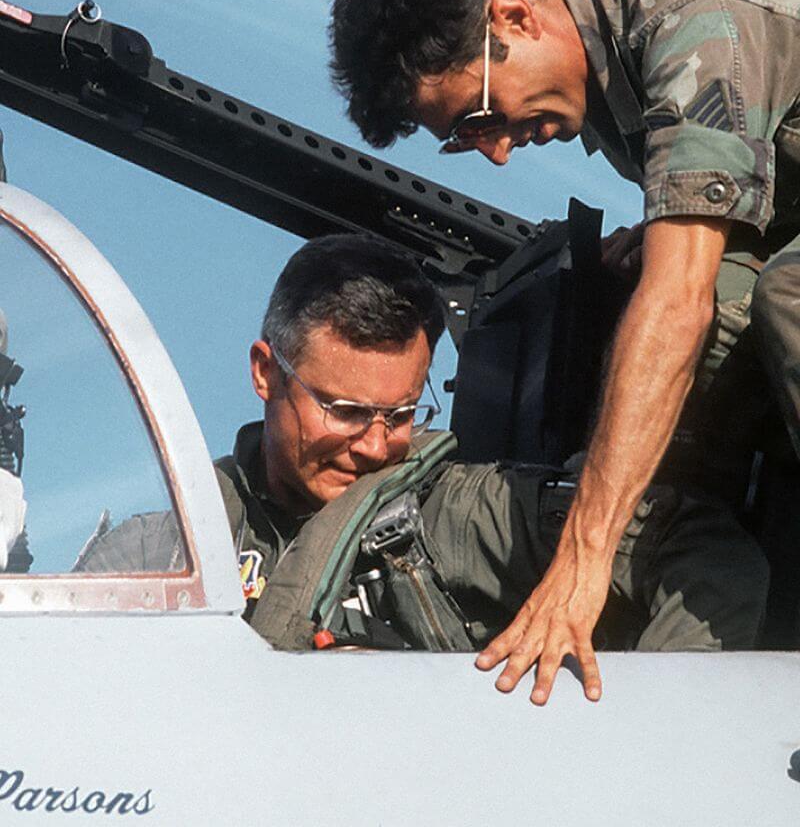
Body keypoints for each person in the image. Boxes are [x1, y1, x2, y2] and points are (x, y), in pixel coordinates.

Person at [328, 0, 800, 702]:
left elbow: (677, 305)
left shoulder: (691, 28)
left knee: (770, 298)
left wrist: (584, 554)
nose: (500, 151)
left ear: (515, 15)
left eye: (480, 117)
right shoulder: (617, 65)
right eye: (464, 141)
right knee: (712, 311)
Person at [215, 232, 767, 688]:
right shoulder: (185, 533)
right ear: (266, 373)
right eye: (344, 411)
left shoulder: (451, 514)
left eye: (402, 414)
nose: (375, 447)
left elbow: (709, 555)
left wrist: (645, 731)